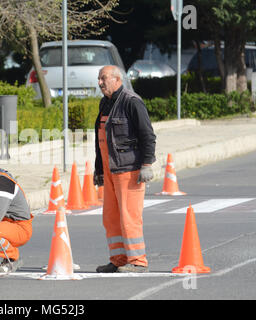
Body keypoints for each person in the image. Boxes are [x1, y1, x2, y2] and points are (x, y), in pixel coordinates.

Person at [94, 65, 156, 273]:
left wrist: (147, 164)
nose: (100, 83)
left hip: (128, 170)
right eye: (99, 79)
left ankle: (138, 261)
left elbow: (148, 135)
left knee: (129, 217)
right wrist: (99, 171)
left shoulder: (131, 102)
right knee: (111, 217)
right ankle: (119, 259)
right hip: (110, 170)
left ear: (117, 79)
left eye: (103, 78)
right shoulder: (105, 104)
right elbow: (100, 141)